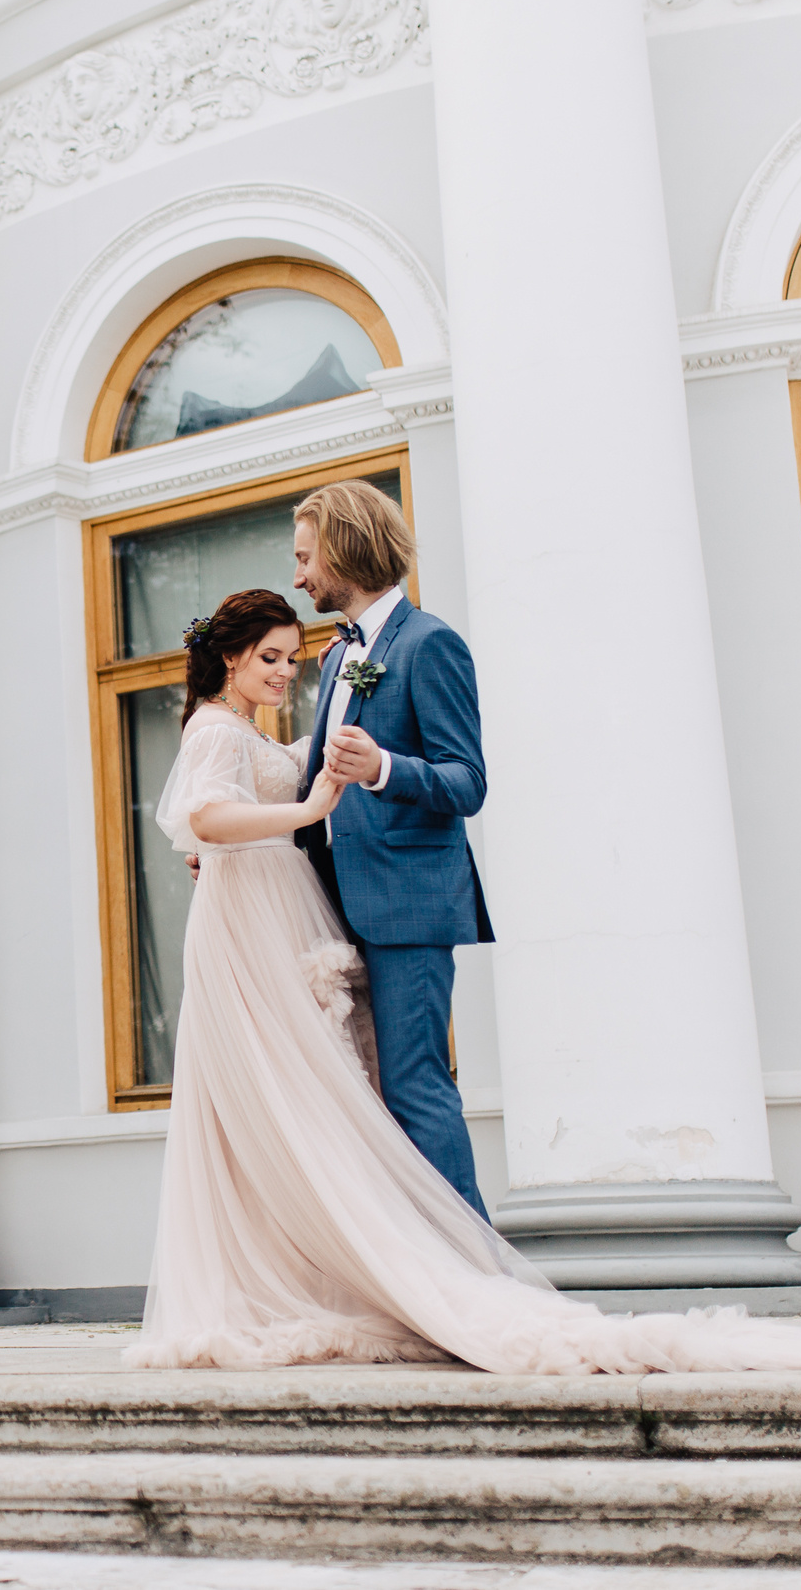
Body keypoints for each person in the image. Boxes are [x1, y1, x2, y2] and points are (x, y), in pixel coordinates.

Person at [124, 582, 801, 1372]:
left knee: (318, 1093)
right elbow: (205, 818)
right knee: (293, 1095)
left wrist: (298, 809)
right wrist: (304, 811)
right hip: (247, 924)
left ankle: (370, 1265)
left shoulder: (249, 725)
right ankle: (322, 1272)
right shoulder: (216, 728)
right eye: (271, 659)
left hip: (272, 910)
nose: (286, 672)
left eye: (292, 658)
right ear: (233, 657)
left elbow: (240, 815)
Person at [290, 479, 491, 1217]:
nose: (299, 575)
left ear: (345, 548)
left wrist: (381, 767)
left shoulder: (430, 642)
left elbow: (466, 781)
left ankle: (480, 1279)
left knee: (414, 1083)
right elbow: (317, 781)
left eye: (306, 556)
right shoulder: (340, 657)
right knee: (366, 1089)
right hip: (339, 901)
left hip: (407, 904)